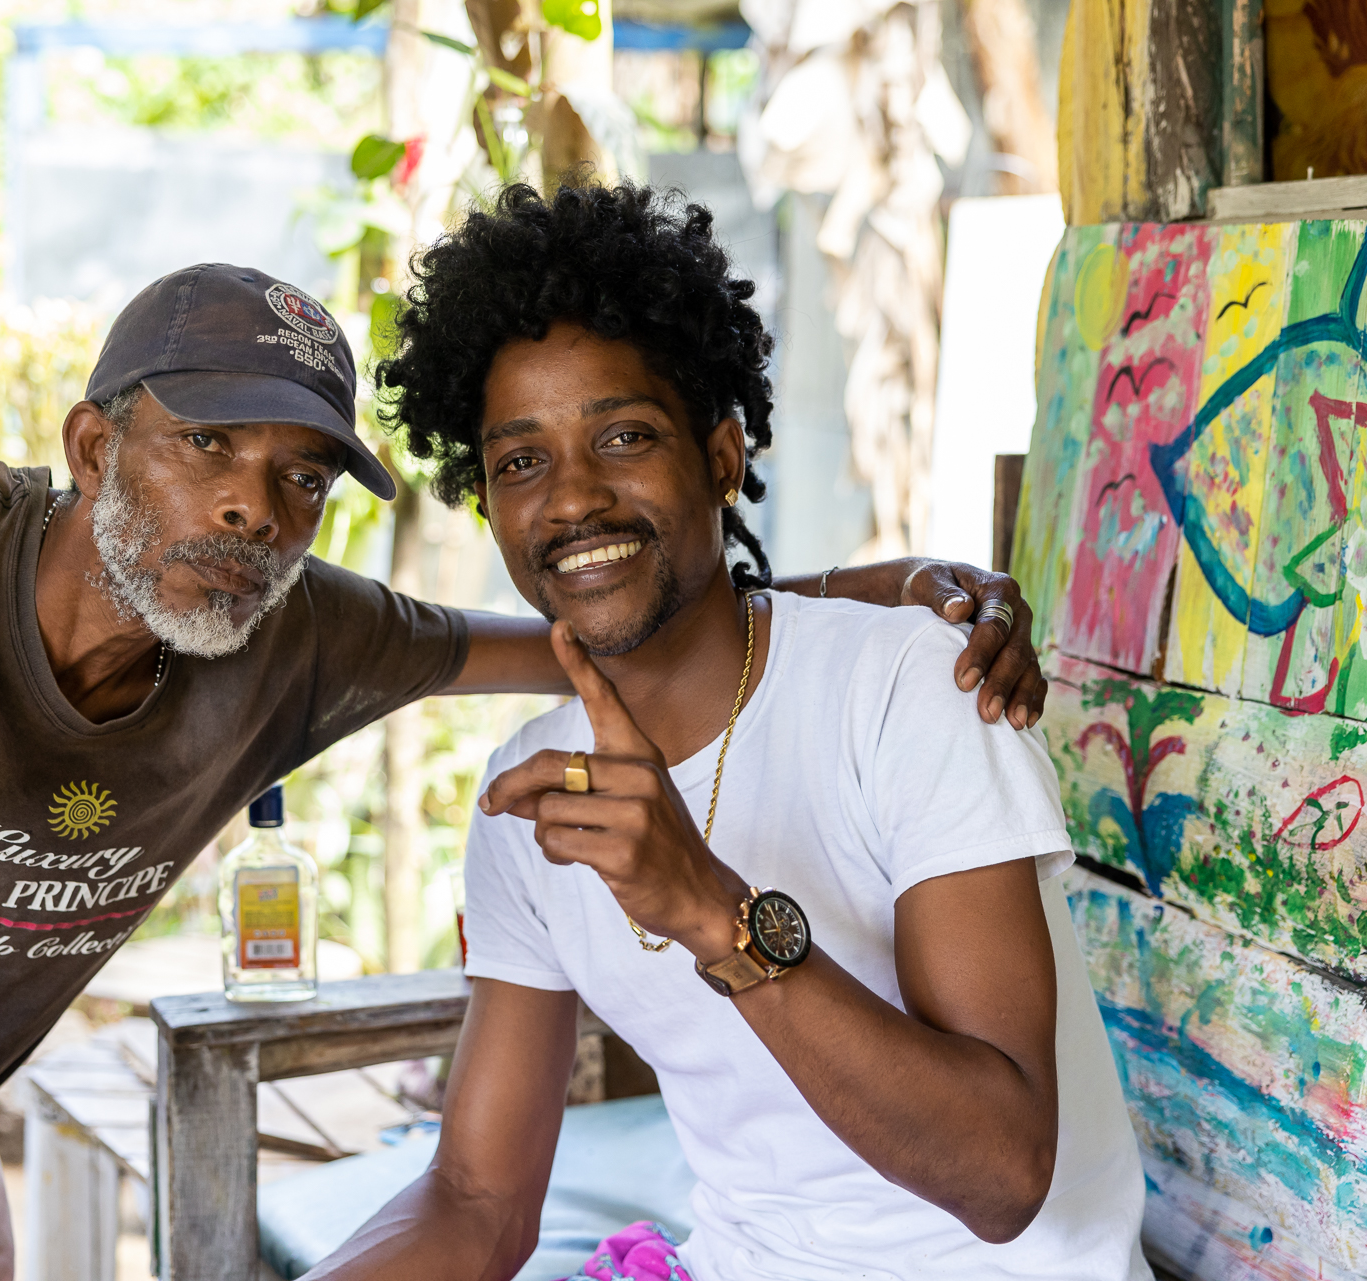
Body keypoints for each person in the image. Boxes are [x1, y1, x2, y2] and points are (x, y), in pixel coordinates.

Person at [0, 263, 1045, 1280]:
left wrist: (883, 587)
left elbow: (596, 614)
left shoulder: (293, 635)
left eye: (301, 476)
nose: (251, 508)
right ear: (93, 445)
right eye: (206, 443)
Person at [304, 185, 1149, 1281]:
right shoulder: (530, 798)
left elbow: (1002, 1175)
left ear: (721, 456)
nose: (572, 498)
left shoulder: (911, 687)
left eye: (623, 436)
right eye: (520, 462)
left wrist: (709, 907)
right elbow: (476, 1198)